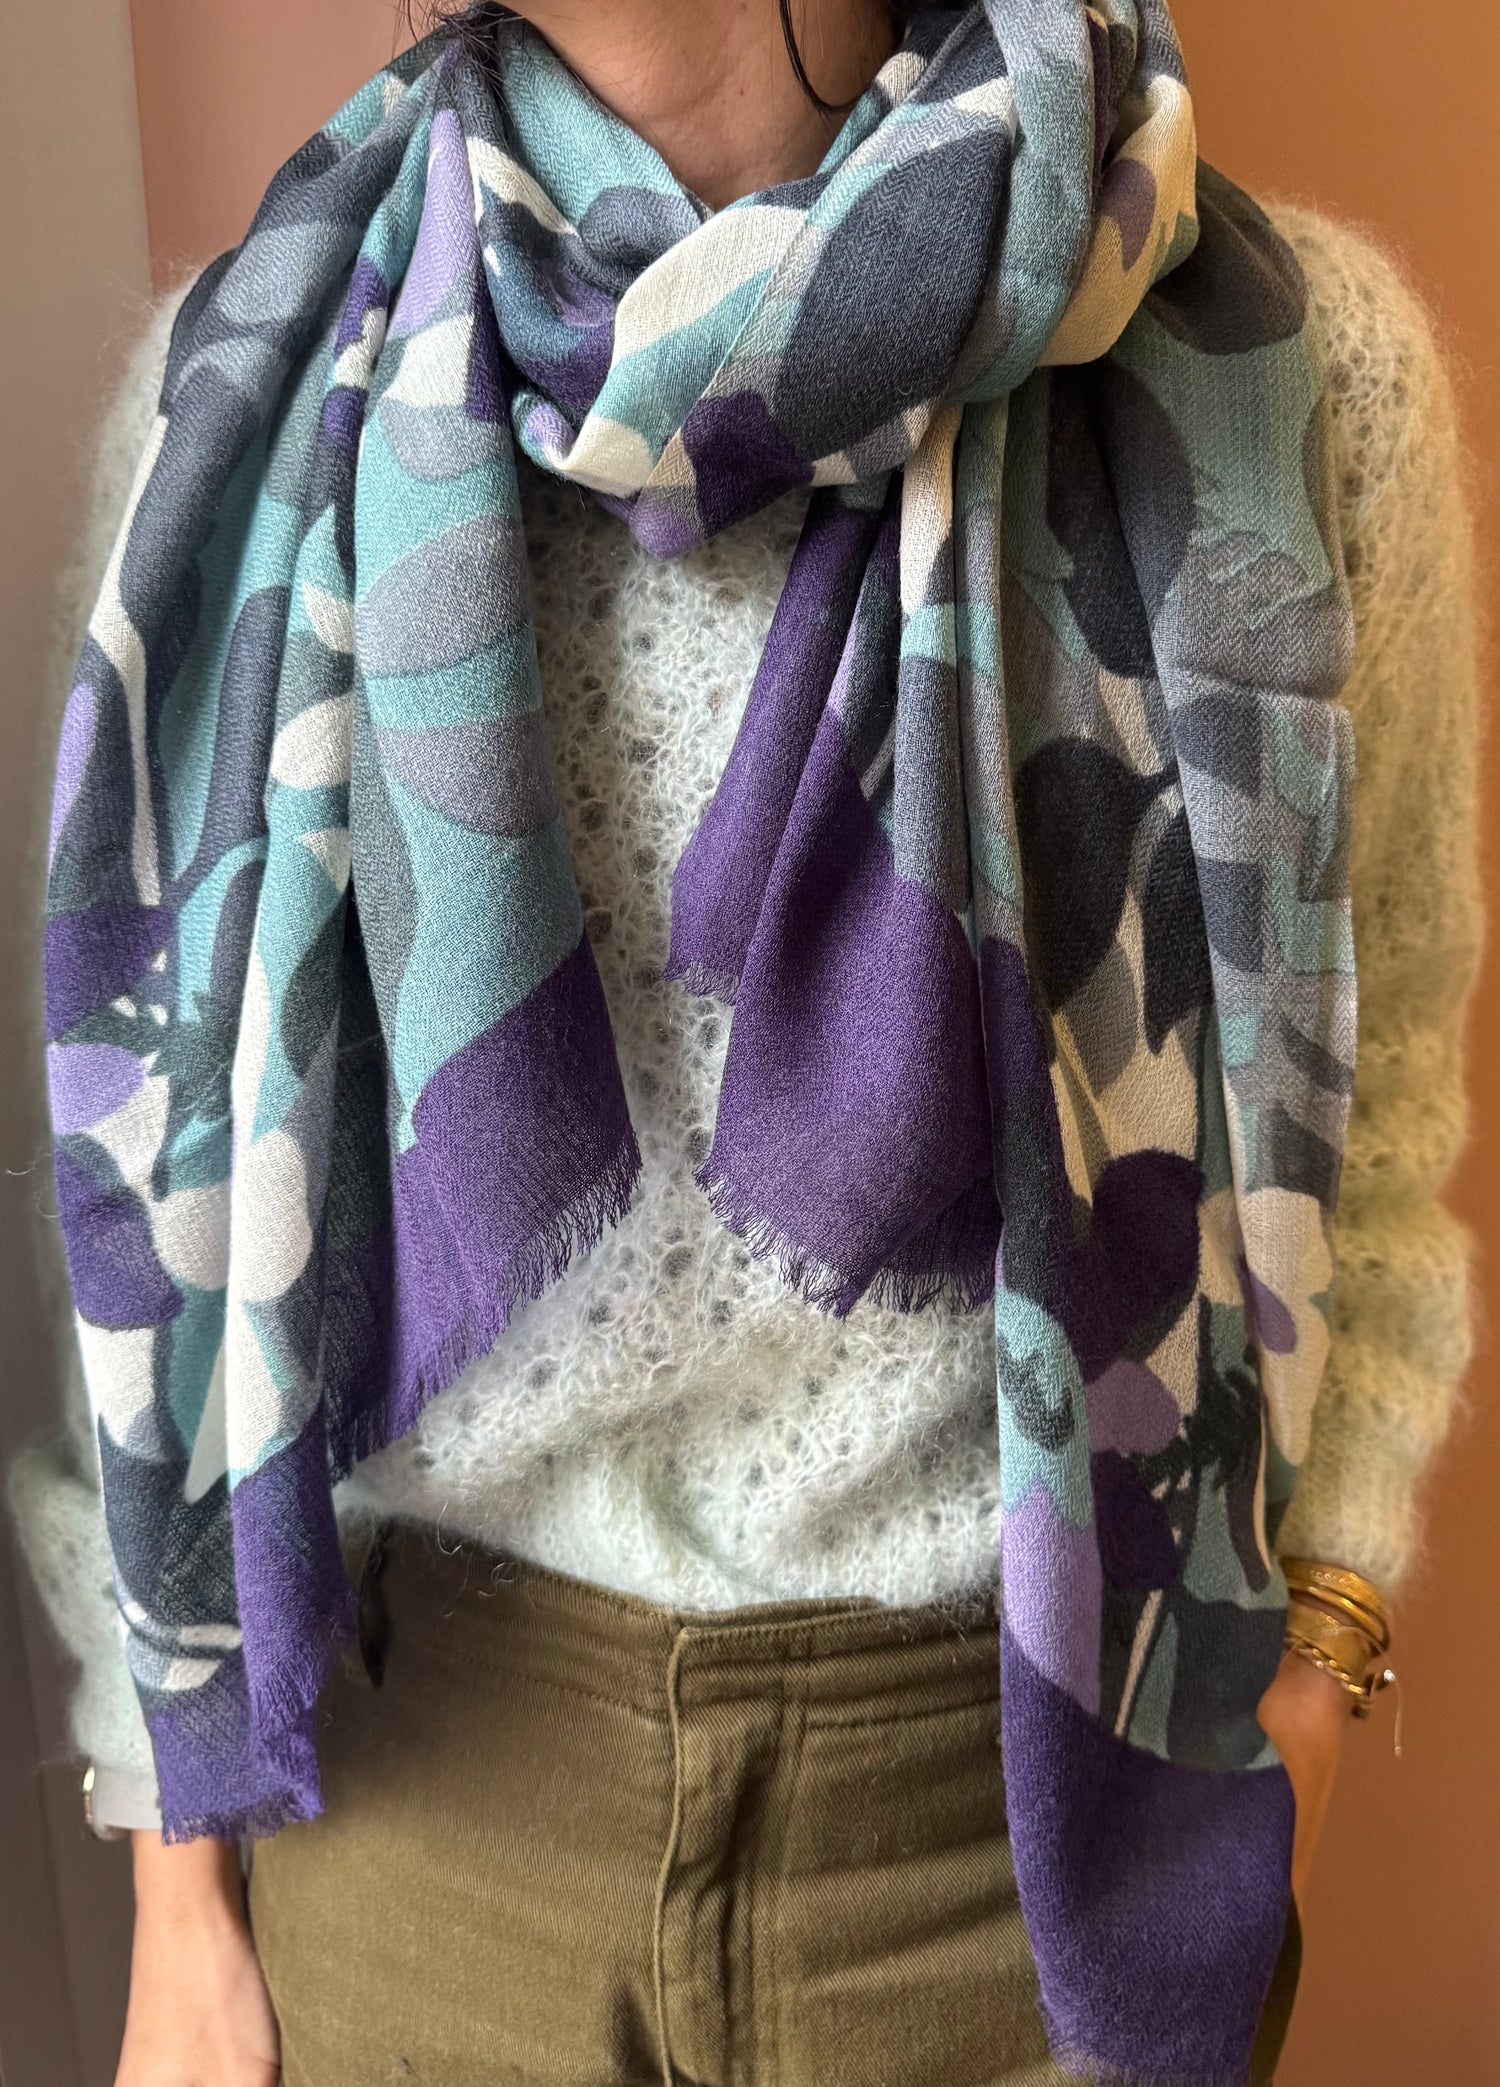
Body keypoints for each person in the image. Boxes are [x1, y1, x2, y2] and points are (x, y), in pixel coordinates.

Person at [14, 1, 1482, 2083]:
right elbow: (148, 1166)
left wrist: (1318, 1662)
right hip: (431, 1837)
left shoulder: (1282, 368)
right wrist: (179, 1892)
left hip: (1026, 1845)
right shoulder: (259, 391)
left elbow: (1381, 1109)